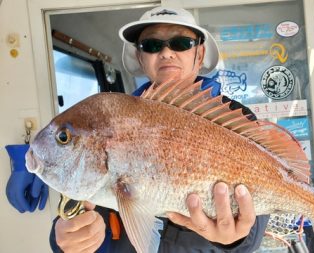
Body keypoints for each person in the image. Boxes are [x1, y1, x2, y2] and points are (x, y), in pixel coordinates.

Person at [50, 6, 269, 253]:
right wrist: (68, 237)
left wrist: (233, 240)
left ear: (199, 53)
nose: (166, 52)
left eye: (181, 43)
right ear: (140, 57)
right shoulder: (108, 123)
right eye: (152, 45)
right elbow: (78, 205)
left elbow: (252, 234)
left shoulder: (236, 120)